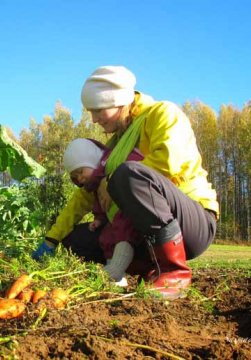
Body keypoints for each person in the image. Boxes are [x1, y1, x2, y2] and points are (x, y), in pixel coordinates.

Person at [33, 65, 219, 299]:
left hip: (191, 222)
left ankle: (174, 272)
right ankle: (147, 269)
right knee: (75, 240)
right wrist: (52, 239)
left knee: (127, 173)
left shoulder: (162, 114)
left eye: (98, 110)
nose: (94, 119)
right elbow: (83, 198)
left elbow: (170, 162)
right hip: (143, 231)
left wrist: (111, 182)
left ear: (118, 101)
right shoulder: (117, 144)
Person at [60, 138, 143, 286]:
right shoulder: (95, 185)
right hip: (112, 220)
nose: (79, 177)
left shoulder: (113, 163)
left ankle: (116, 269)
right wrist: (99, 219)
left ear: (91, 160)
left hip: (129, 214)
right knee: (107, 238)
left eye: (80, 171)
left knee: (123, 232)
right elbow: (101, 204)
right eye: (75, 176)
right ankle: (117, 276)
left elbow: (135, 167)